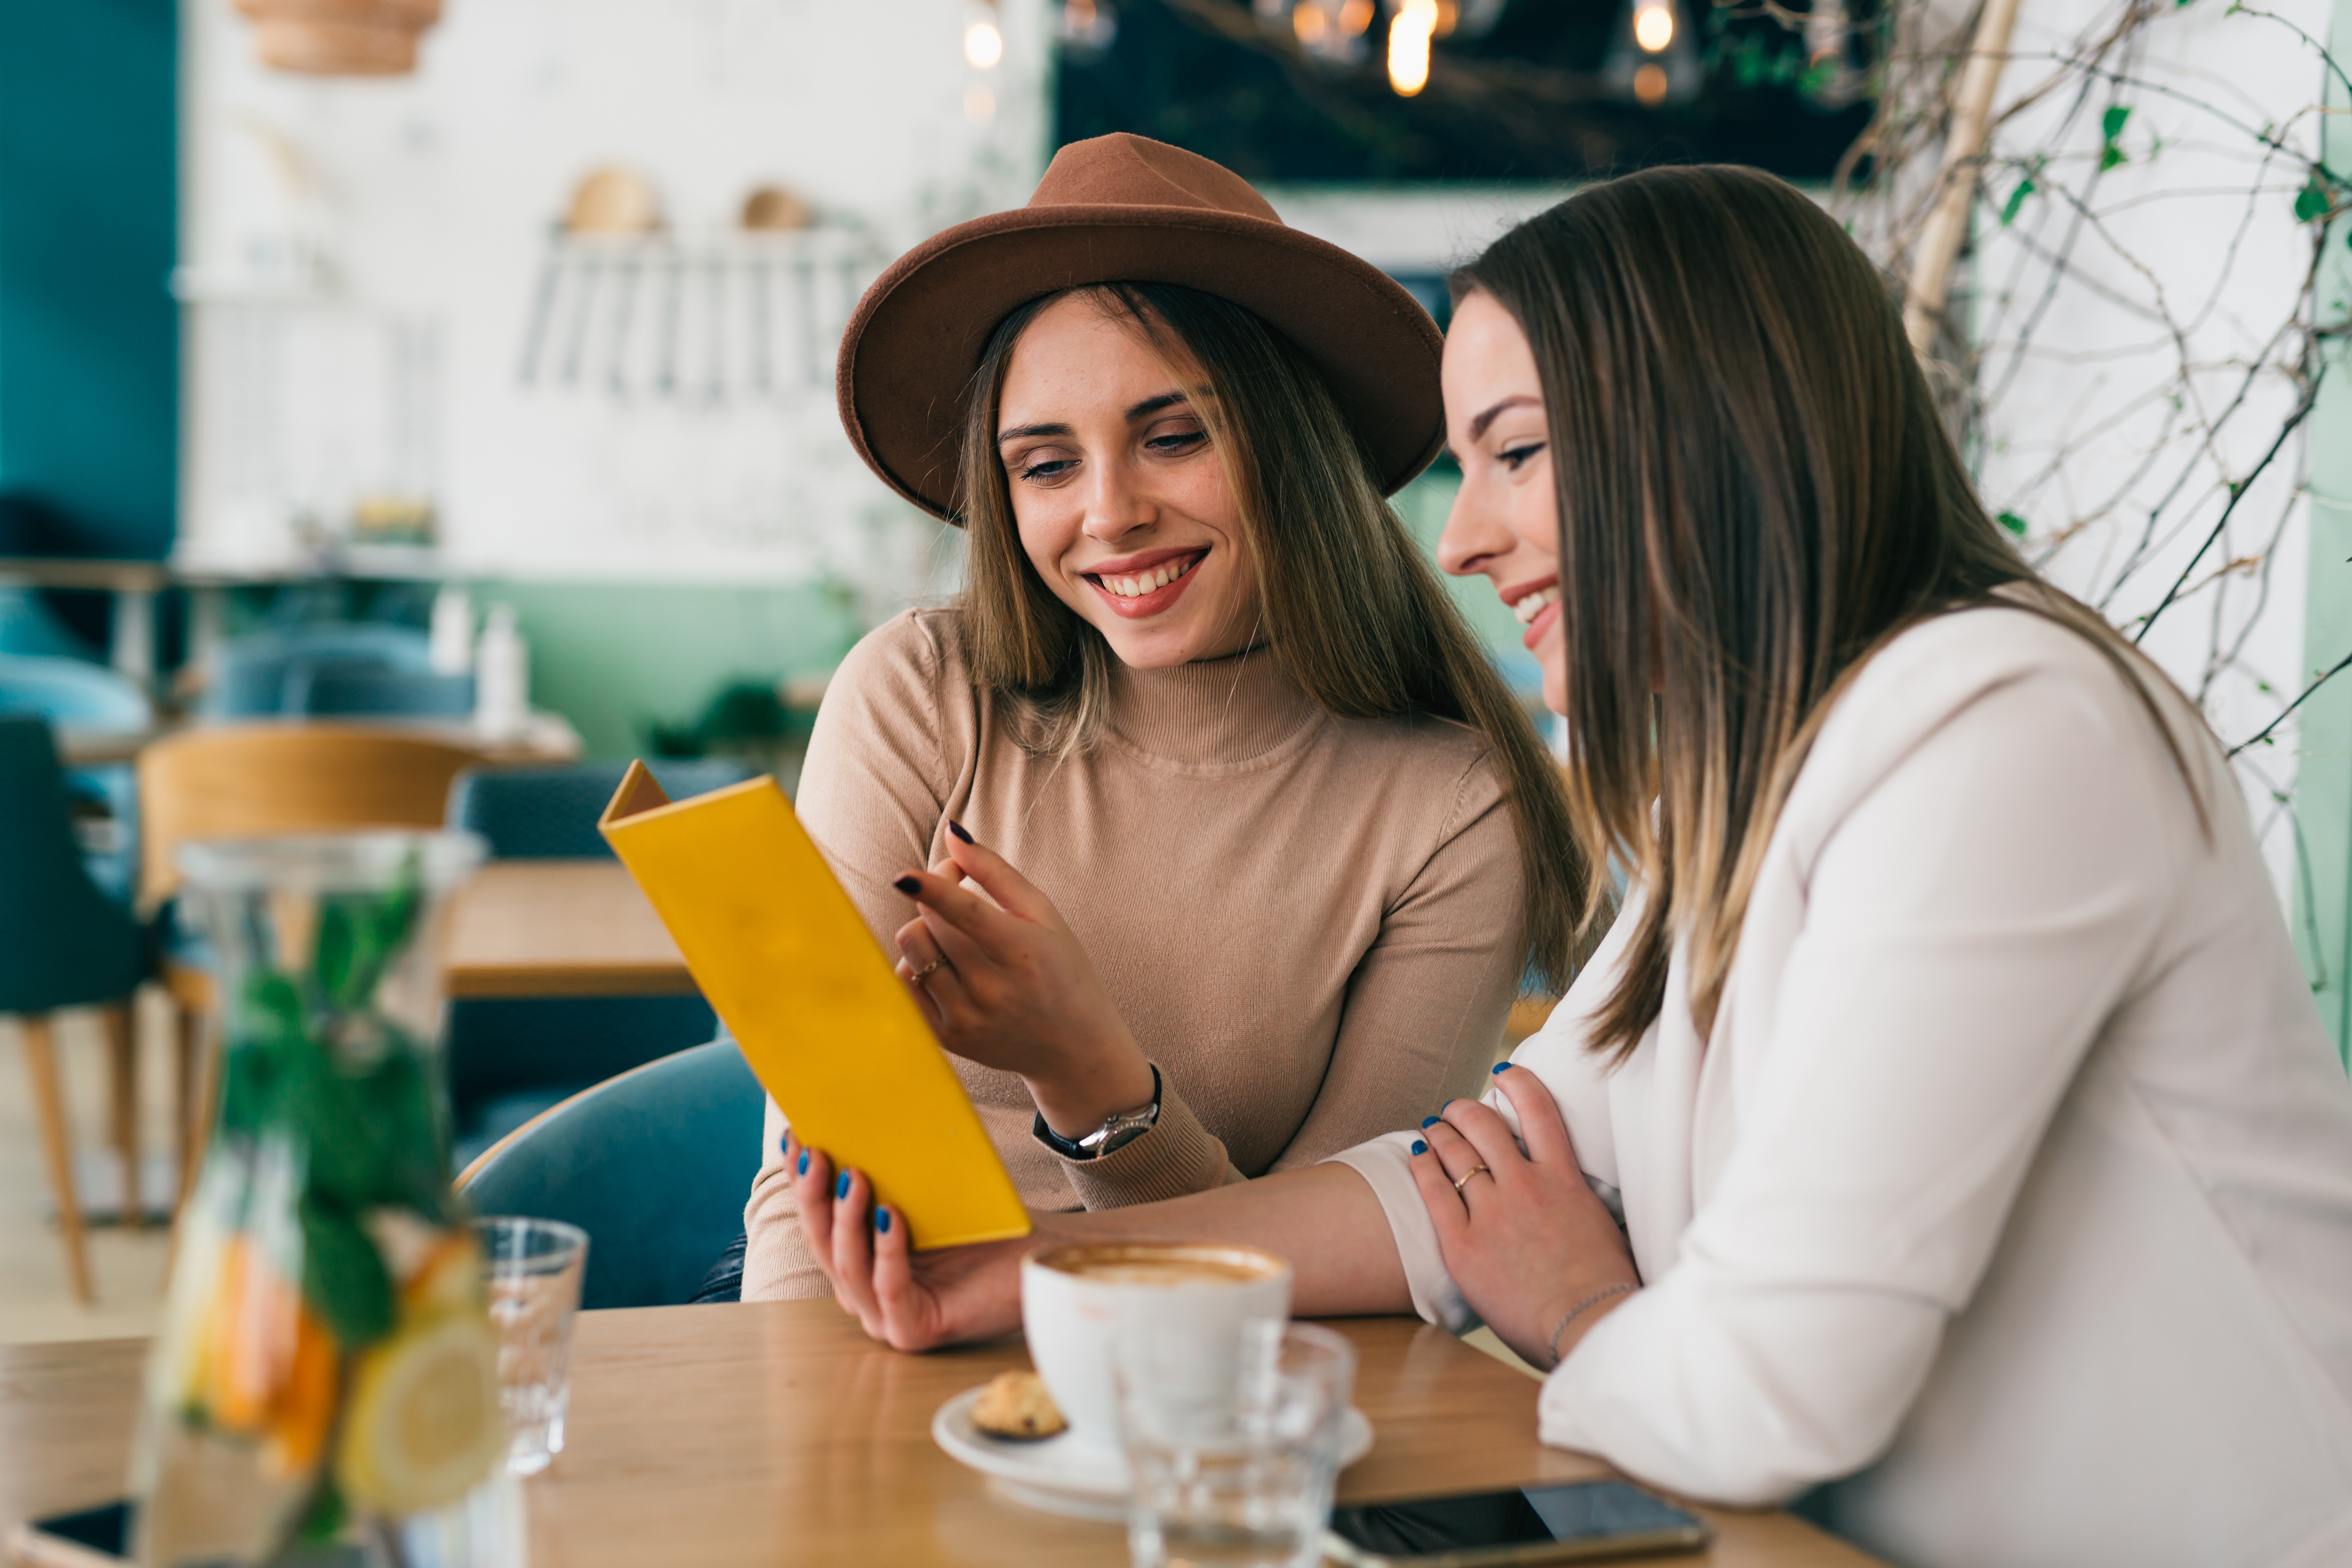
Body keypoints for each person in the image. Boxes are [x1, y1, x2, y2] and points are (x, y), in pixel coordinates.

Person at [779, 164, 2352, 1568]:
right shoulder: (1758, 787)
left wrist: (1577, 1307)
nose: (1460, 540)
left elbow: (1763, 1394)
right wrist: (1021, 1277)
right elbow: (1455, 1182)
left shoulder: (2004, 726)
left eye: (1516, 453)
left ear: (1716, 434)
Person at [738, 134, 1586, 1299]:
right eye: (1045, 465)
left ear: (1295, 446)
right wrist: (831, 1459)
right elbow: (804, 1192)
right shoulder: (918, 696)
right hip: (879, 1397)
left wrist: (1094, 1081)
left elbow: (1351, 1276)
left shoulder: (1452, 808)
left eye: (1174, 437)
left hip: (1227, 1424)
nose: (1111, 515)